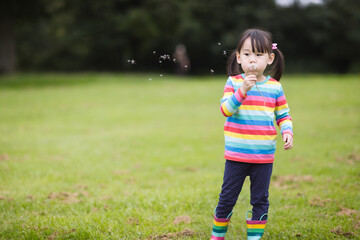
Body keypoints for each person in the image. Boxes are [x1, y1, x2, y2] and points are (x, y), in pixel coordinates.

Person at [210, 29, 293, 240]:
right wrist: (243, 91)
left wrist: (287, 131)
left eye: (258, 55)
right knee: (227, 198)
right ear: (238, 57)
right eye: (247, 54)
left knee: (260, 199)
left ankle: (254, 237)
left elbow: (283, 114)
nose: (252, 60)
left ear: (270, 58)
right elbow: (226, 110)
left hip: (263, 157)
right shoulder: (234, 83)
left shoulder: (275, 87)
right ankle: (217, 236)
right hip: (236, 156)